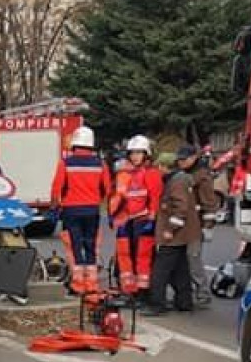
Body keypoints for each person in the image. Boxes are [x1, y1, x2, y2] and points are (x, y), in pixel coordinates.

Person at [50, 126, 113, 295]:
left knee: (75, 247)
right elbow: (108, 189)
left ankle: (78, 284)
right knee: (91, 247)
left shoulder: (65, 163)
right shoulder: (101, 164)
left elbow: (57, 188)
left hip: (71, 212)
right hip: (92, 211)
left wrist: (55, 207)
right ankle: (92, 284)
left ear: (75, 143)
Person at [144, 145, 203, 316]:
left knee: (160, 270)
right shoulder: (183, 180)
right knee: (180, 269)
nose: (158, 170)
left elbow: (180, 208)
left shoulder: (175, 182)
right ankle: (184, 302)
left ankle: (157, 304)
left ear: (164, 167)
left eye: (159, 167)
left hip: (175, 235)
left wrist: (170, 229)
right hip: (185, 234)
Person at [108, 137, 165, 296]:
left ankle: (143, 291)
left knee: (143, 258)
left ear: (146, 154)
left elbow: (155, 198)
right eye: (132, 153)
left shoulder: (151, 174)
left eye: (139, 153)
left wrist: (152, 219)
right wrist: (113, 215)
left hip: (144, 220)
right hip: (127, 221)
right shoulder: (125, 174)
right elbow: (118, 197)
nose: (135, 156)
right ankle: (129, 290)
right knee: (125, 257)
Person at [187, 147, 225, 306]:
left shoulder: (202, 177)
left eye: (185, 159)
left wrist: (207, 226)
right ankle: (187, 292)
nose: (182, 162)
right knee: (185, 260)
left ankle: (202, 292)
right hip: (186, 223)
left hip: (197, 224)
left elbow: (210, 203)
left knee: (192, 258)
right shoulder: (187, 174)